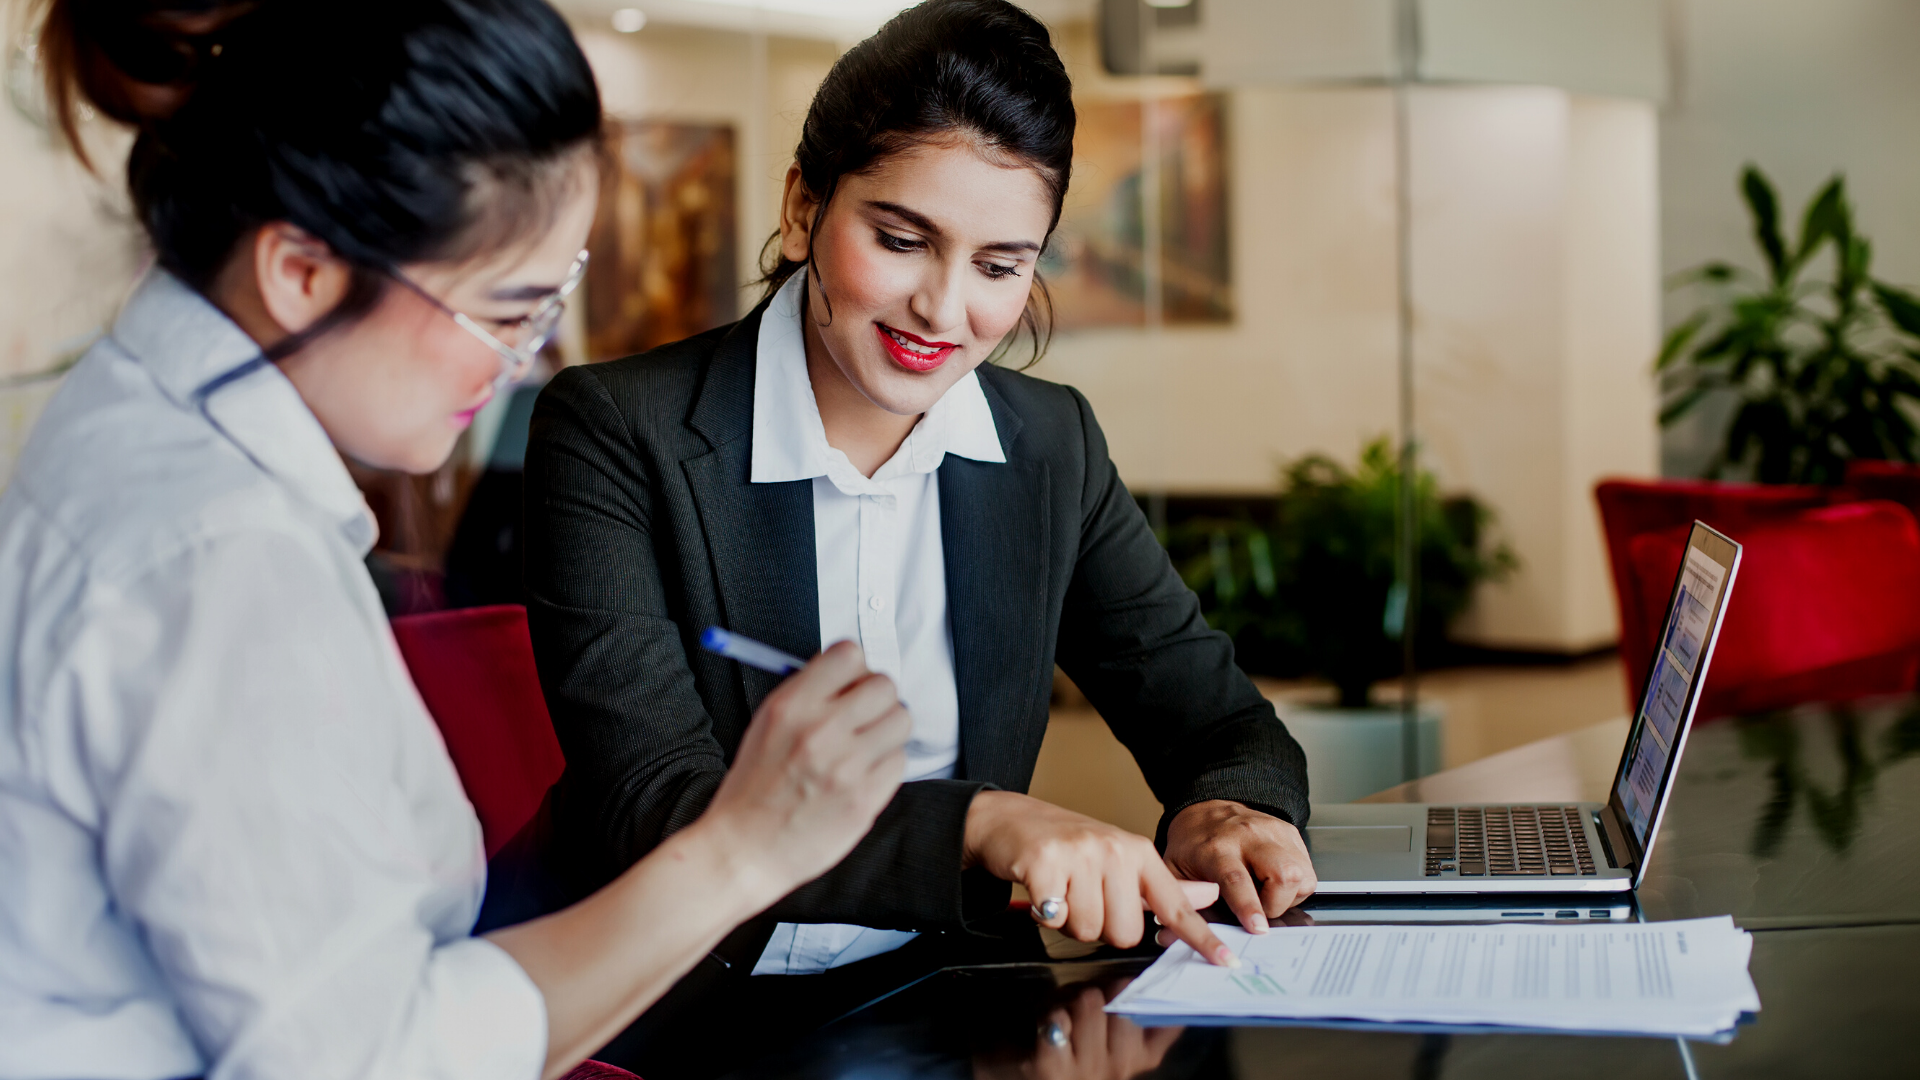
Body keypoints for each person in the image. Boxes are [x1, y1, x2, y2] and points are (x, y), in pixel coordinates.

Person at [0, 2, 914, 1078]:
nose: (527, 360)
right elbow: (375, 1058)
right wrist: (742, 849)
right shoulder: (216, 563)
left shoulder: (138, 422)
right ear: (301, 270)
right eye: (509, 309)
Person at [522, 0, 1315, 1056]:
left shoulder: (1049, 447)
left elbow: (1217, 722)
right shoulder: (619, 429)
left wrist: (1226, 810)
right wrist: (985, 824)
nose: (944, 309)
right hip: (672, 1012)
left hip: (955, 995)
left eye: (1000, 265)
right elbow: (659, 805)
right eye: (902, 241)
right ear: (805, 210)